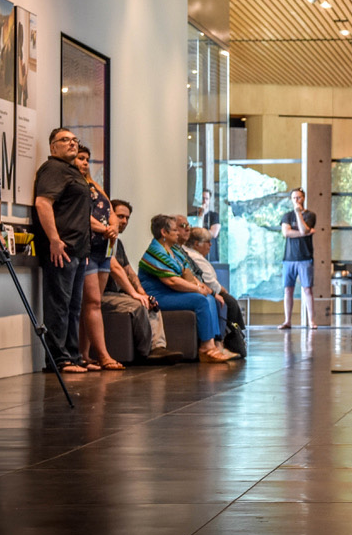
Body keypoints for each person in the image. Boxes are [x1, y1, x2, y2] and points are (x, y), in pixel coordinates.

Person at [137, 214, 237, 363]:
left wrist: (208, 290)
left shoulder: (174, 250)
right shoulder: (155, 251)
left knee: (209, 298)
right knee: (200, 300)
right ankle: (206, 348)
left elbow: (187, 273)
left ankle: (216, 345)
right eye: (174, 230)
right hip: (159, 295)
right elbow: (172, 281)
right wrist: (197, 290)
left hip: (172, 293)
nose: (178, 232)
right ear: (164, 232)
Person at [33, 128, 93, 374]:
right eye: (65, 140)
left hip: (77, 250)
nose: (72, 143)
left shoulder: (73, 172)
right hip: (62, 248)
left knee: (73, 306)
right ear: (52, 147)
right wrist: (54, 240)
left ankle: (73, 356)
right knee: (59, 304)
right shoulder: (53, 169)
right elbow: (43, 202)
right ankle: (59, 360)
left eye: (74, 140)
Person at [101, 199, 179, 364]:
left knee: (150, 302)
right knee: (137, 305)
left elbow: (129, 271)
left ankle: (159, 347)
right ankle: (146, 352)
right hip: (104, 294)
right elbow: (116, 270)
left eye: (127, 218)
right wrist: (135, 295)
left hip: (119, 294)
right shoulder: (104, 240)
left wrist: (142, 293)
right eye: (120, 216)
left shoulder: (118, 243)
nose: (124, 221)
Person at [73, 144, 124, 370]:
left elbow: (111, 212)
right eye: (80, 158)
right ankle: (103, 355)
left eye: (87, 159)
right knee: (91, 301)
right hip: (88, 248)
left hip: (105, 249)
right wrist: (104, 230)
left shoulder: (95, 186)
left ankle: (85, 355)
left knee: (93, 304)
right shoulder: (73, 185)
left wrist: (113, 229)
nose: (84, 162)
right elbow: (82, 216)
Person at [183, 225, 246, 357]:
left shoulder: (193, 255)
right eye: (207, 242)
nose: (210, 245)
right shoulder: (193, 256)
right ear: (196, 244)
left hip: (204, 289)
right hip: (201, 290)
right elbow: (210, 282)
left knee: (226, 301)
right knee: (227, 301)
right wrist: (221, 290)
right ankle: (223, 342)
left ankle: (229, 339)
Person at [280, 188, 316, 330]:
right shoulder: (286, 216)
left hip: (305, 258)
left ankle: (311, 321)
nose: (296, 200)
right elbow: (286, 233)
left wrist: (298, 213)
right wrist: (303, 233)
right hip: (289, 258)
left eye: (299, 197)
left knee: (307, 289)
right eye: (294, 198)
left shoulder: (310, 215)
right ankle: (287, 321)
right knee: (288, 290)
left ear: (304, 198)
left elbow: (305, 229)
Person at [200, 189, 221, 262]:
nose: (204, 201)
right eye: (203, 198)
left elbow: (214, 233)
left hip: (211, 255)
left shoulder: (213, 216)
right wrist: (201, 214)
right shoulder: (194, 216)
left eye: (207, 199)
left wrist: (199, 232)